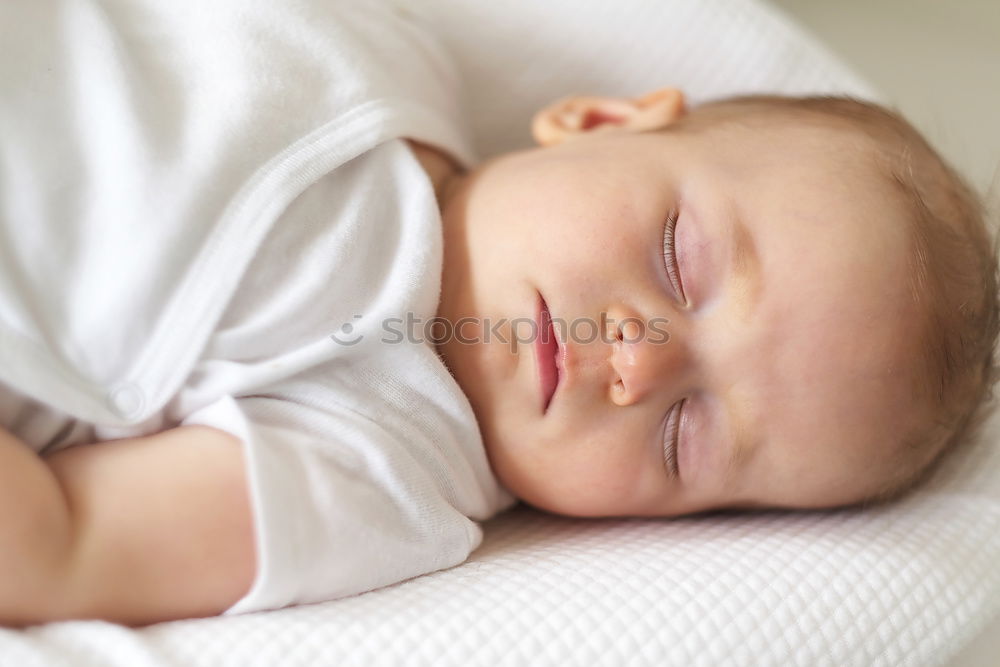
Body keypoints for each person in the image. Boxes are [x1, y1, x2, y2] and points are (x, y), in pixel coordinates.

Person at [0, 2, 996, 627]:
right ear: (598, 121)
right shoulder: (372, 45)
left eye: (688, 433)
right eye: (677, 260)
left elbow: (56, 544)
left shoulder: (379, 476)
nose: (638, 360)